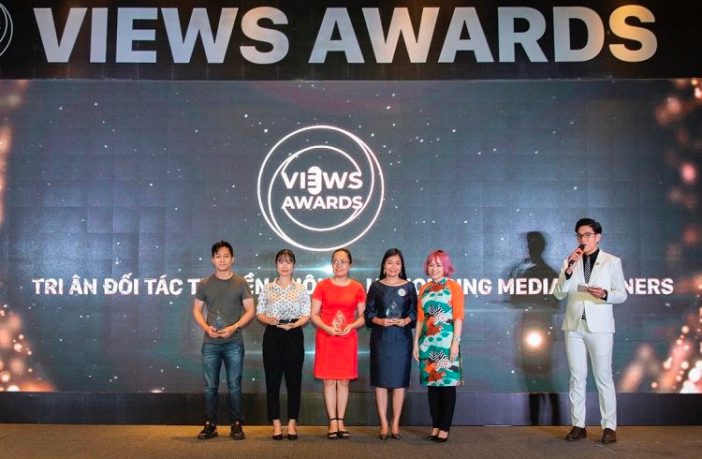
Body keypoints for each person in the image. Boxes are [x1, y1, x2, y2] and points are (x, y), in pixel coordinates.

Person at [554, 218, 627, 444]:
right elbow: (559, 293)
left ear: (598, 237)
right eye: (579, 236)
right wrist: (568, 271)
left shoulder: (611, 261)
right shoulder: (570, 261)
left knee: (603, 376)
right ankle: (578, 425)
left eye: (587, 235)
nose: (583, 239)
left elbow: (622, 294)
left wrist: (605, 294)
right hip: (574, 326)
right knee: (577, 377)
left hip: (600, 327)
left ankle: (609, 427)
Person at [192, 241, 255, 440]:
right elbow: (196, 310)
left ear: (232, 259)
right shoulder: (204, 284)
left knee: (234, 385)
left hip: (233, 342)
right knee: (210, 386)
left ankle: (236, 424)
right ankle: (210, 424)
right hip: (210, 343)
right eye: (218, 256)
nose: (222, 260)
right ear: (213, 259)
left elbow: (250, 310)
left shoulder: (241, 283)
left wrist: (234, 327)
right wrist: (206, 327)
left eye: (226, 256)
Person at [310, 248, 366, 440]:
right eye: (335, 261)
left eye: (343, 261)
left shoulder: (357, 287)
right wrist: (327, 328)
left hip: (347, 339)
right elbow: (314, 314)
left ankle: (341, 420)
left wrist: (351, 325)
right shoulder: (322, 286)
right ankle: (332, 421)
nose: (339, 265)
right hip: (327, 337)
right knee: (328, 381)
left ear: (350, 264)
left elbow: (363, 316)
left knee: (343, 381)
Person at [256, 249, 311, 441]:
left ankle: (292, 423)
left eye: (288, 261)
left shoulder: (301, 289)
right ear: (276, 265)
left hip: (294, 335)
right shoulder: (267, 288)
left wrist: (295, 324)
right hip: (273, 335)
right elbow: (259, 313)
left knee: (294, 381)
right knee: (272, 381)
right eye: (281, 261)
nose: (285, 265)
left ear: (294, 265)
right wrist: (269, 320)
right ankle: (276, 423)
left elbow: (306, 314)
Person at [365, 248, 417, 440]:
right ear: (383, 266)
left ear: (401, 266)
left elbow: (414, 312)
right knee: (380, 382)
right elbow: (368, 313)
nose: (393, 266)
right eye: (390, 262)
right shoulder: (376, 287)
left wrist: (406, 320)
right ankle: (384, 424)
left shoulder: (409, 287)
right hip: (381, 339)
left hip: (402, 340)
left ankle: (395, 423)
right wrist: (380, 320)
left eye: (397, 263)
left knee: (399, 383)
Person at [413, 249, 464, 443]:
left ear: (446, 267)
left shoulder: (453, 287)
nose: (434, 269)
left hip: (447, 343)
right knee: (432, 386)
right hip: (427, 343)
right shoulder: (424, 289)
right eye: (431, 265)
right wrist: (416, 344)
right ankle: (435, 426)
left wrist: (455, 343)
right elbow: (420, 319)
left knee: (447, 386)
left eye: (438, 265)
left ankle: (444, 428)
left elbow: (458, 317)